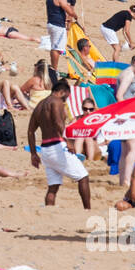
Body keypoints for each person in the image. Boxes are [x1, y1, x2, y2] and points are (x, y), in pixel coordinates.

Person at [27, 77, 91, 209]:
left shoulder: (39, 105)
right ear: (61, 92)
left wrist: (33, 153)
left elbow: (30, 131)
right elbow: (58, 122)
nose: (65, 100)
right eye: (66, 97)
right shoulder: (56, 101)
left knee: (53, 187)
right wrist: (67, 141)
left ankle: (49, 212)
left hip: (45, 150)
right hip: (58, 146)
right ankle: (88, 210)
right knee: (83, 177)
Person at [44, 0, 77, 72]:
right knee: (57, 49)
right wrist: (75, 15)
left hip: (51, 23)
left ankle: (53, 68)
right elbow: (69, 10)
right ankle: (54, 69)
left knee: (54, 47)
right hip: (57, 25)